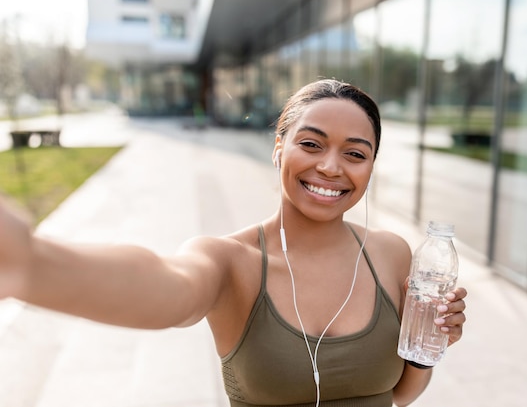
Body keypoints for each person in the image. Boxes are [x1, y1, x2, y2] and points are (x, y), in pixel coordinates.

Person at [0, 79, 467, 407]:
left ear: (370, 167)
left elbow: (399, 394)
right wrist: (32, 265)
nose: (330, 167)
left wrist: (432, 342)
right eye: (311, 144)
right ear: (278, 147)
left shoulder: (391, 254)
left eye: (355, 153)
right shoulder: (229, 261)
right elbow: (166, 286)